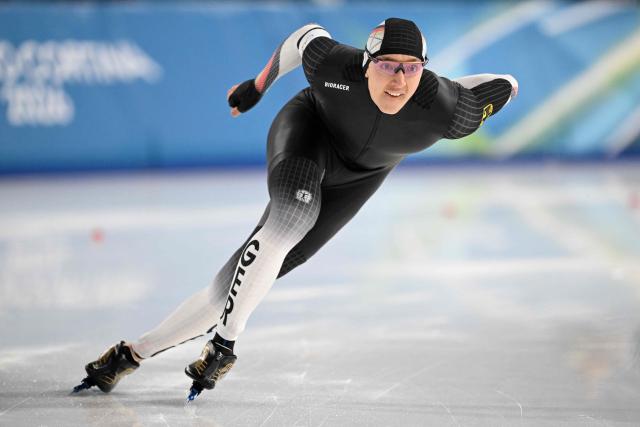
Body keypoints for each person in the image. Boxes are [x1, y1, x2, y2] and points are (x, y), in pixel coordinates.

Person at [73, 17, 518, 399]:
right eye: (386, 66)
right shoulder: (333, 64)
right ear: (365, 65)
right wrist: (257, 86)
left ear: (425, 70)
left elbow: (507, 85)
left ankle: (129, 355)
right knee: (289, 223)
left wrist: (458, 87)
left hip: (361, 179)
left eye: (411, 69)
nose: (398, 80)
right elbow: (303, 36)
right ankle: (225, 346)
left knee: (236, 285)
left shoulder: (450, 110)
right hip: (308, 134)